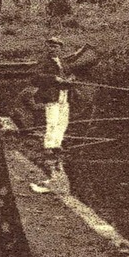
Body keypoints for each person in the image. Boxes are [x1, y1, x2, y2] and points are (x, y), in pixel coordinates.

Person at [33, 35, 86, 186]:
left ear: (60, 48)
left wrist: (71, 78)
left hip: (65, 94)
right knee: (52, 121)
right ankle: (49, 146)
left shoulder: (62, 61)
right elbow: (35, 78)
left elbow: (69, 74)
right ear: (47, 47)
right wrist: (53, 78)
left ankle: (57, 143)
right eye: (51, 46)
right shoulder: (43, 61)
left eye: (56, 47)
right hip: (52, 95)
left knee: (63, 121)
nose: (53, 49)